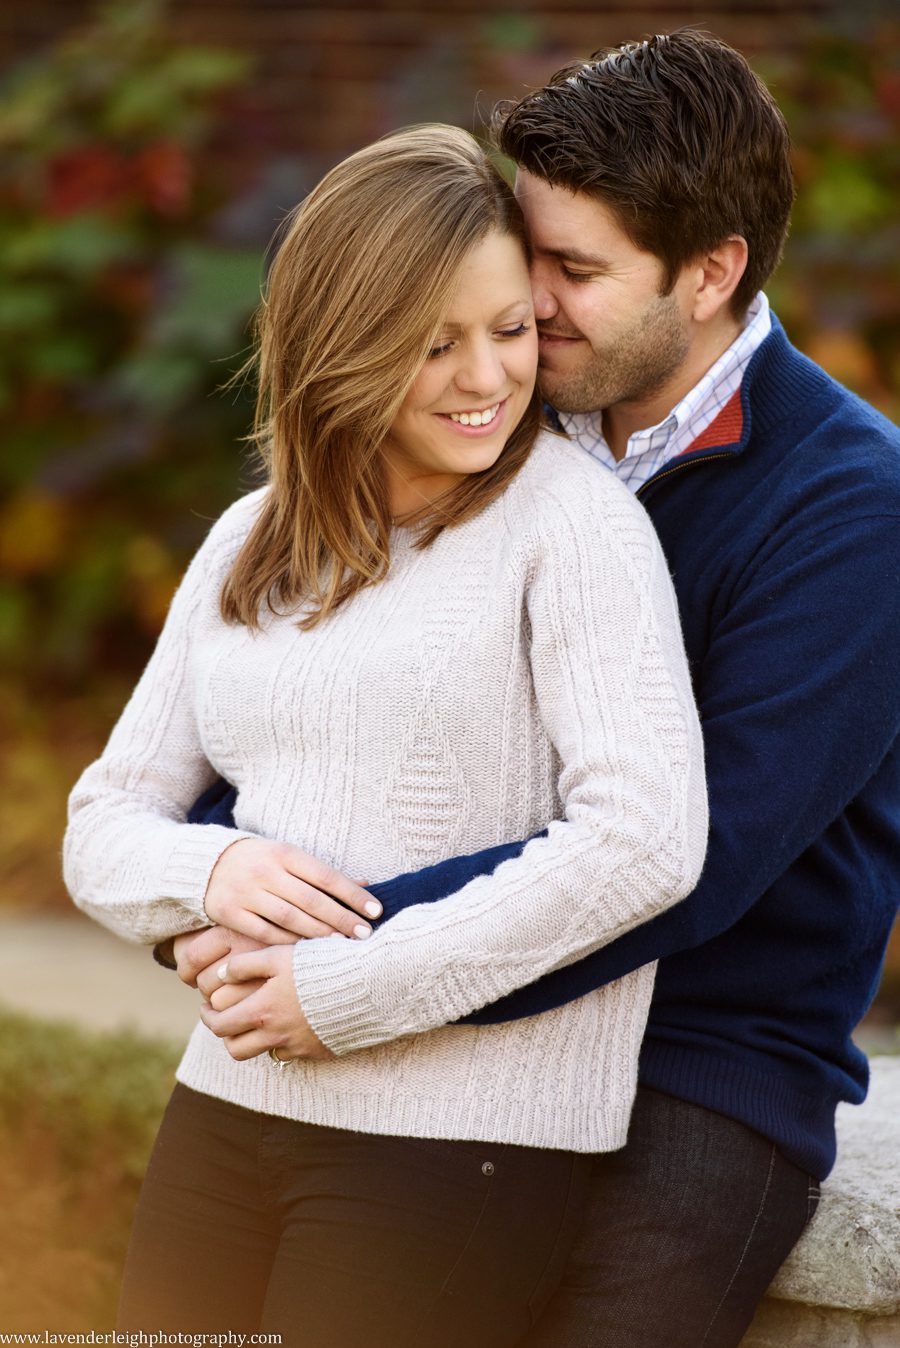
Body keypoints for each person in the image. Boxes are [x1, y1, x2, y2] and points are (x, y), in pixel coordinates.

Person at [174, 29, 900, 1348]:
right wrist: (222, 884)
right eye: (530, 256)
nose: (530, 308)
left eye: (575, 272)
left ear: (711, 272)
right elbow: (304, 689)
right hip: (440, 990)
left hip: (701, 1057)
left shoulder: (852, 504)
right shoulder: (493, 425)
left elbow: (704, 854)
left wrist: (341, 946)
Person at [63, 124, 707, 1344]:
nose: (487, 378)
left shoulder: (572, 530)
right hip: (226, 1102)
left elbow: (646, 840)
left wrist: (348, 988)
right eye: (433, 344)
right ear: (342, 345)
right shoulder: (253, 538)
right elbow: (102, 822)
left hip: (457, 1146)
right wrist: (216, 868)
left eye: (511, 330)